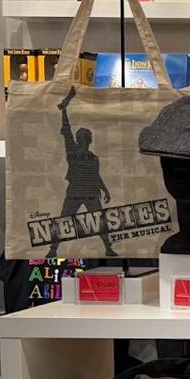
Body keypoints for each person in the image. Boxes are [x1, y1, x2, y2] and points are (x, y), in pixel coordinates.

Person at [49, 87, 115, 257]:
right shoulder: (72, 149)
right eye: (83, 137)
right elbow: (66, 130)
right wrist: (64, 110)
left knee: (100, 221)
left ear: (89, 140)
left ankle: (108, 248)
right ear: (79, 139)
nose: (85, 140)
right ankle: (53, 249)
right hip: (75, 192)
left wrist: (105, 189)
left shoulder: (93, 157)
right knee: (64, 219)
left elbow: (96, 176)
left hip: (90, 192)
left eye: (87, 138)